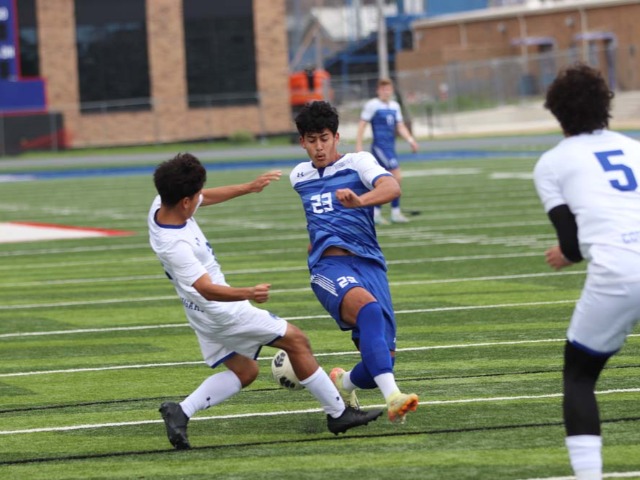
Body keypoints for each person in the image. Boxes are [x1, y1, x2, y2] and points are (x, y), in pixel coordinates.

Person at [149, 153, 382, 450]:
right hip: (223, 310)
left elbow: (205, 197)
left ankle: (180, 411)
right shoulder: (176, 245)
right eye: (195, 196)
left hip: (198, 312)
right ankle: (338, 413)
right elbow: (207, 289)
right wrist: (249, 292)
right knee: (297, 340)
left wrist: (248, 187)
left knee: (246, 371)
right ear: (184, 202)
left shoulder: (161, 204)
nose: (200, 199)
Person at [533, 63, 640, 480]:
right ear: (605, 105)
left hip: (619, 272)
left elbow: (573, 245)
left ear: (557, 112)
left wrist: (565, 254)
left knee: (579, 377)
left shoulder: (552, 163)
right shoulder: (634, 147)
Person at [291, 101, 419, 424]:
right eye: (311, 140)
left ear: (336, 137)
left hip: (370, 264)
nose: (319, 147)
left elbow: (391, 186)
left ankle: (343, 382)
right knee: (369, 310)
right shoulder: (299, 176)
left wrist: (360, 201)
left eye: (324, 138)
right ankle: (394, 398)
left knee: (381, 362)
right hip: (328, 268)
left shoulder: (358, 162)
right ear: (302, 142)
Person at [355, 78, 418, 225]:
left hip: (390, 148)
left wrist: (411, 140)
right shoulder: (373, 105)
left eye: (388, 89)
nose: (386, 92)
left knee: (382, 180)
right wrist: (359, 145)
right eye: (383, 89)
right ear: (378, 91)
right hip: (379, 147)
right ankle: (394, 213)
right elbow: (362, 124)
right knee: (396, 176)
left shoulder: (395, 106)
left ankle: (378, 213)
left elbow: (400, 126)